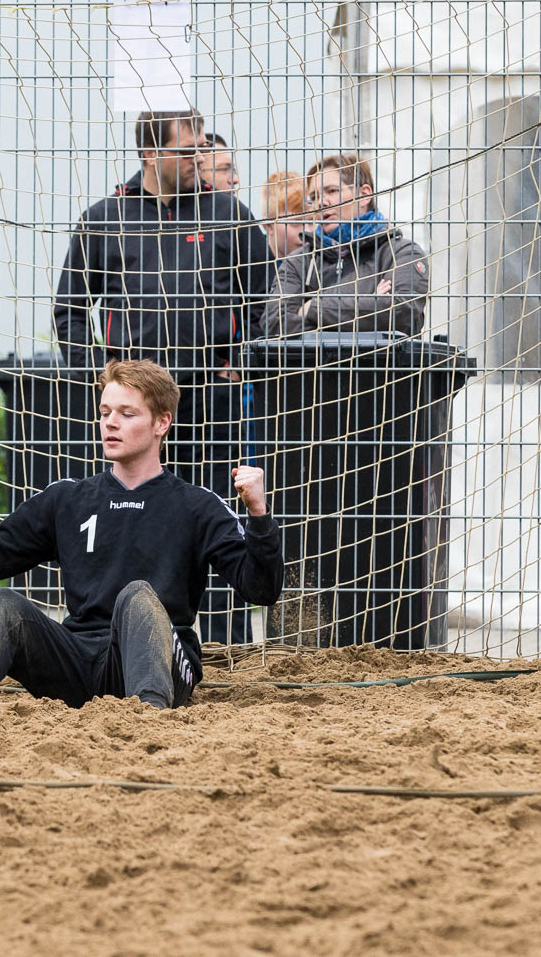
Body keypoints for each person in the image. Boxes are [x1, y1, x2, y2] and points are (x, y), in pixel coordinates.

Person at [0, 358, 284, 706]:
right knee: (5, 605)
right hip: (79, 663)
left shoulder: (197, 505)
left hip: (163, 666)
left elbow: (261, 588)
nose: (111, 423)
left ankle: (149, 720)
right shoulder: (67, 499)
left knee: (137, 595)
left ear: (162, 423)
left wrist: (259, 515)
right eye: (105, 412)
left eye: (127, 414)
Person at [52, 109, 275, 645]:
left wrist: (240, 362)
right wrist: (103, 382)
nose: (199, 157)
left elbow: (270, 300)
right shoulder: (106, 217)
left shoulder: (228, 214)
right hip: (135, 407)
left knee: (217, 515)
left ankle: (225, 641)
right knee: (130, 518)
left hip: (210, 395)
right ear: (151, 155)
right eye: (187, 149)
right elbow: (70, 310)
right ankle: (119, 634)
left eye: (202, 147)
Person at [263, 154, 428, 337]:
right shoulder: (298, 261)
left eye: (332, 191)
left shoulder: (401, 254)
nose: (321, 202)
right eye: (314, 196)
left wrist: (312, 307)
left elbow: (403, 315)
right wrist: (369, 303)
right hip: (315, 366)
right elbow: (275, 324)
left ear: (364, 195)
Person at [260, 170, 309, 262]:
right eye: (296, 222)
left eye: (312, 222)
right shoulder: (250, 269)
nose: (307, 231)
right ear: (269, 226)